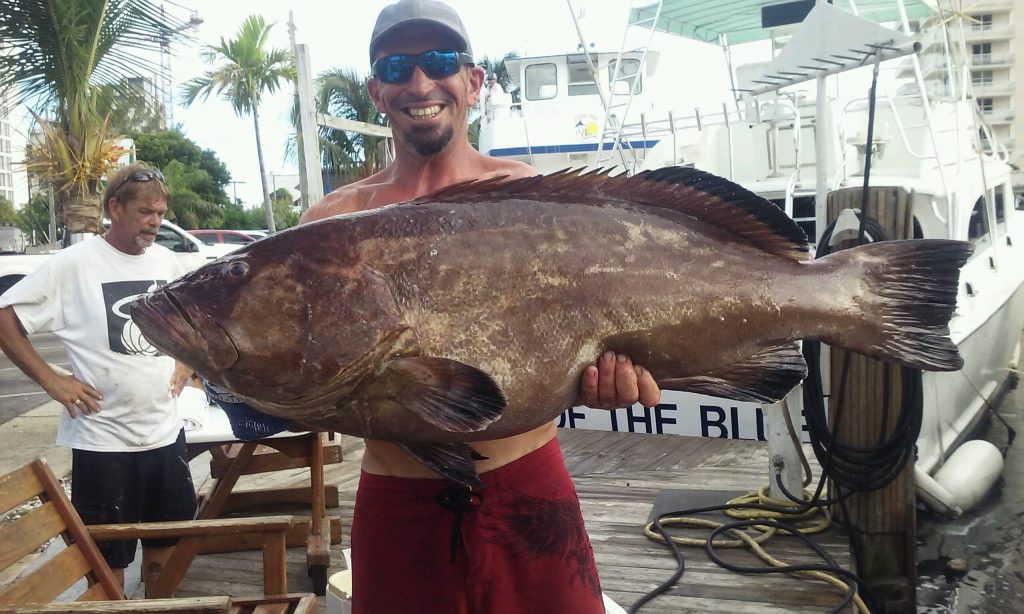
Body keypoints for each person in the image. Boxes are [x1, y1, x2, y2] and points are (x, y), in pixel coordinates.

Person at [301, 1, 661, 611]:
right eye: (397, 66)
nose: (420, 83)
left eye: (440, 61)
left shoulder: (529, 199)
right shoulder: (331, 223)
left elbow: (609, 318)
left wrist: (622, 375)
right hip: (396, 504)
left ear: (473, 81)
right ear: (376, 91)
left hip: (527, 489)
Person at [0, 163, 197, 590]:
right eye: (146, 212)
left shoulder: (167, 260)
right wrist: (53, 381)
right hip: (103, 443)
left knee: (168, 546)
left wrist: (187, 361)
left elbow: (191, 321)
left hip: (165, 435)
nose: (155, 222)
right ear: (115, 208)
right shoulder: (74, 264)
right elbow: (5, 320)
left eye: (160, 213)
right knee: (107, 561)